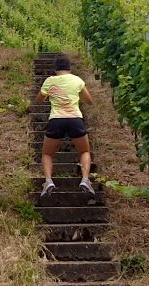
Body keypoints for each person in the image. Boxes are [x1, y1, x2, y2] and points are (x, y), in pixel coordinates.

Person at [36, 54, 95, 197]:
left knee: (47, 153)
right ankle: (85, 179)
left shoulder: (50, 81)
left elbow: (38, 100)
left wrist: (50, 94)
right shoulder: (77, 80)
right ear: (69, 68)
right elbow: (89, 101)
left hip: (56, 120)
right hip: (75, 119)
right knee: (84, 151)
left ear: (56, 69)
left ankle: (49, 181)